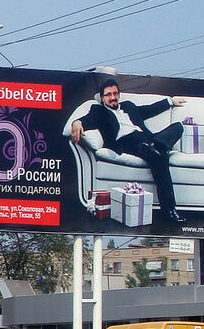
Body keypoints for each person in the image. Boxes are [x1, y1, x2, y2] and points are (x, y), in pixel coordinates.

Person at [69, 78, 187, 223]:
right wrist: (77, 122)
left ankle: (157, 147)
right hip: (127, 141)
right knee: (159, 157)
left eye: (115, 93)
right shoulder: (99, 111)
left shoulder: (129, 106)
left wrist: (170, 101)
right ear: (102, 97)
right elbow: (87, 119)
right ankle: (169, 211)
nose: (113, 97)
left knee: (178, 127)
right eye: (108, 95)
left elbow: (148, 110)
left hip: (148, 139)